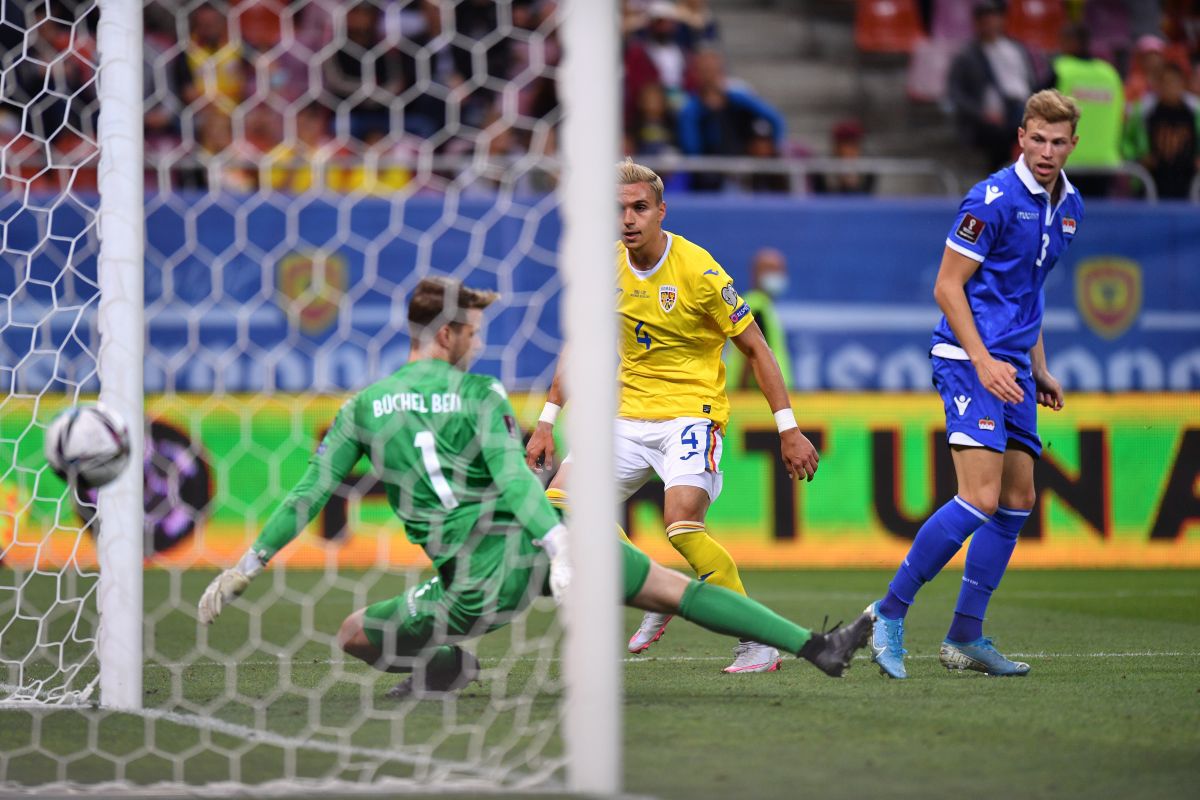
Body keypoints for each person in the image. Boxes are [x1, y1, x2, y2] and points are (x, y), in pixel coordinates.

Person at [198, 277, 871, 696]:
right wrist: (557, 543)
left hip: (477, 584)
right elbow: (521, 482)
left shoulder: (360, 408)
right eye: (476, 334)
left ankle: (442, 665)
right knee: (676, 589)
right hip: (547, 540)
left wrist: (246, 564)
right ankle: (820, 647)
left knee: (353, 634)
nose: (479, 345)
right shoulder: (478, 391)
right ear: (451, 332)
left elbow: (307, 495)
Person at [525, 161, 821, 674]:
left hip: (690, 413)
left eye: (639, 208)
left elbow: (755, 349)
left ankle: (758, 642)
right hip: (626, 415)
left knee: (681, 526)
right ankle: (659, 585)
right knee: (560, 506)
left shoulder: (699, 271)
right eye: (618, 210)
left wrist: (788, 428)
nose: (628, 219)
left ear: (661, 210)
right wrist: (548, 419)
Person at [867, 89, 1082, 680]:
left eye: (1057, 142)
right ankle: (886, 614)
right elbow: (946, 286)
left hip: (1011, 364)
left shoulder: (1069, 207)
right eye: (1036, 139)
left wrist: (1038, 365)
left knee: (1017, 501)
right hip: (967, 358)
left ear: (1072, 145)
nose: (1045, 150)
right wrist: (985, 360)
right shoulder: (990, 200)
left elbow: (1029, 291)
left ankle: (965, 636)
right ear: (1021, 137)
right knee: (979, 498)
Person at [947, 0, 1039, 172]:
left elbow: (1030, 82)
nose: (990, 22)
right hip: (990, 121)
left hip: (1023, 111)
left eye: (994, 17)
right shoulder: (967, 55)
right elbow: (956, 94)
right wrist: (982, 114)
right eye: (985, 18)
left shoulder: (1017, 49)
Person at [725, 248, 792, 391]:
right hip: (759, 398)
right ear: (755, 273)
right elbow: (752, 353)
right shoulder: (756, 308)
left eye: (779, 270)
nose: (776, 275)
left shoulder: (762, 305)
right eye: (769, 270)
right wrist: (743, 393)